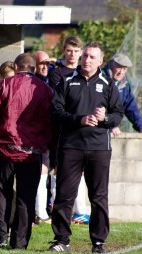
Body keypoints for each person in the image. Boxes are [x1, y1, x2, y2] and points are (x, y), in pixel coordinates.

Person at [49, 41, 123, 254]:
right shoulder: (66, 81)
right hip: (70, 147)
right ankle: (61, 240)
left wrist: (106, 118)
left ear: (101, 61)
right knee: (64, 195)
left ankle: (98, 243)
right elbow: (56, 112)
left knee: (98, 196)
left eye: (92, 57)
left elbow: (118, 114)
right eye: (85, 56)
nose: (87, 60)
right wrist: (79, 120)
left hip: (99, 149)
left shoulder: (108, 84)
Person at [0, 53, 52, 249]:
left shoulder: (6, 85)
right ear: (34, 68)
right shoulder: (44, 89)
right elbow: (51, 121)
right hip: (32, 152)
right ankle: (20, 243)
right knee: (26, 198)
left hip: (5, 148)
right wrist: (45, 146)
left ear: (15, 66)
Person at [48, 35, 90, 225]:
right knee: (60, 169)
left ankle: (81, 212)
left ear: (81, 53)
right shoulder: (57, 74)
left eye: (76, 51)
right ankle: (55, 208)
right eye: (69, 51)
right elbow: (62, 100)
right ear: (64, 51)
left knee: (81, 171)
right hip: (63, 127)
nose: (72, 55)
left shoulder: (86, 71)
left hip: (83, 128)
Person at [104, 53, 142, 139]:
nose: (121, 72)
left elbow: (130, 106)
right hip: (96, 132)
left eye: (124, 69)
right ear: (111, 64)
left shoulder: (124, 84)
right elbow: (95, 107)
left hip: (112, 132)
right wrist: (110, 126)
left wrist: (141, 127)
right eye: (119, 67)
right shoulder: (99, 79)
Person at [32, 50, 52, 225]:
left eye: (47, 63)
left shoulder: (53, 78)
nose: (45, 67)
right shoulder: (32, 82)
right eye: (41, 63)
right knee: (42, 171)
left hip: (53, 133)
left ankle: (49, 210)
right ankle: (41, 212)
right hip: (36, 134)